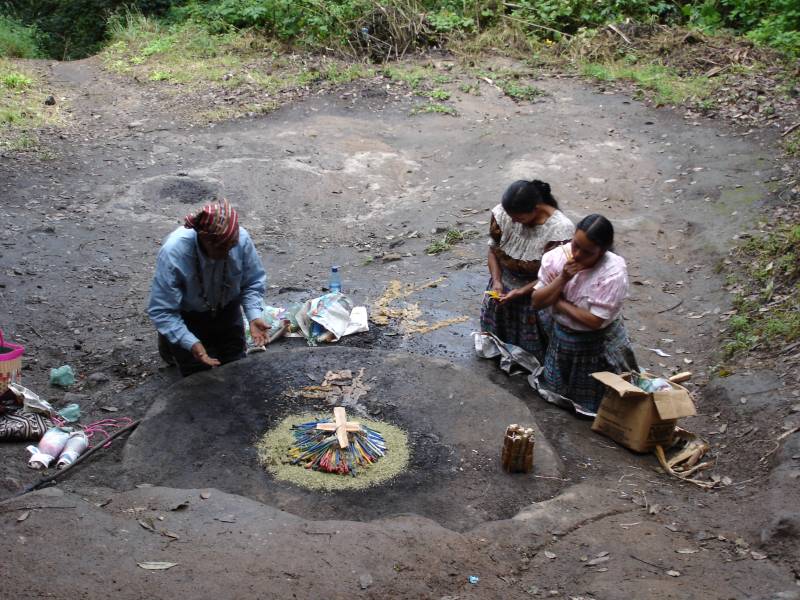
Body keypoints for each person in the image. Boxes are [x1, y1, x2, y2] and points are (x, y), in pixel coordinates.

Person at [148, 199, 269, 377]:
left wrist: (253, 315)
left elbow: (252, 282)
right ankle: (171, 347)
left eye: (232, 246)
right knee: (196, 372)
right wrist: (190, 342)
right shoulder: (174, 253)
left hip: (227, 309)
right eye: (223, 248)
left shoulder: (239, 239)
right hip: (189, 317)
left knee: (235, 365)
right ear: (206, 240)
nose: (229, 252)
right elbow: (163, 310)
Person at [532, 214, 639, 413]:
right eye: (575, 245)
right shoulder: (556, 258)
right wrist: (562, 278)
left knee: (599, 402)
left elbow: (594, 321)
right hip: (563, 337)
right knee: (559, 392)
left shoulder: (613, 273)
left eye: (587, 252)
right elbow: (537, 301)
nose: (578, 254)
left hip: (597, 344)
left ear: (602, 251)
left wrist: (559, 303)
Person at [480, 179, 575, 361]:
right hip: (502, 288)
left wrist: (521, 291)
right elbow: (493, 251)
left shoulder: (560, 230)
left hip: (535, 293)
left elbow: (555, 277)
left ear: (537, 208)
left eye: (520, 218)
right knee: (498, 342)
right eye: (511, 217)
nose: (514, 222)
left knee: (533, 353)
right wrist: (498, 281)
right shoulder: (503, 214)